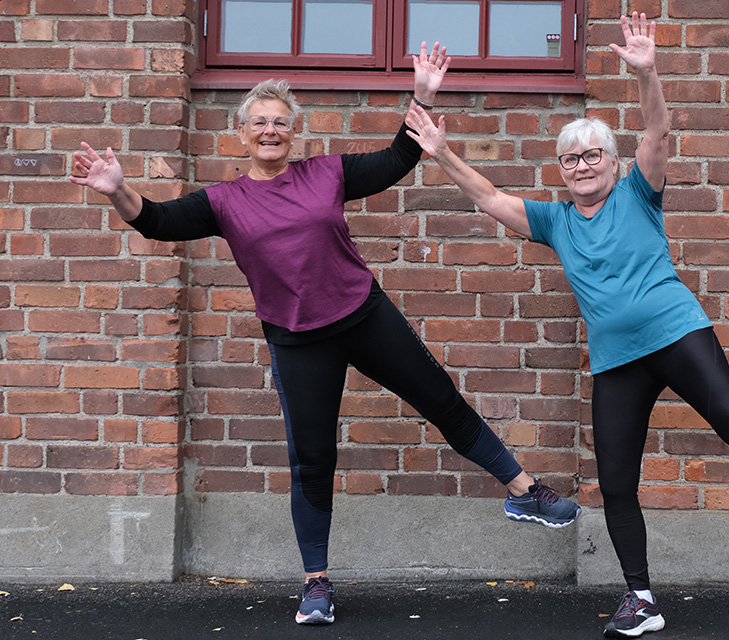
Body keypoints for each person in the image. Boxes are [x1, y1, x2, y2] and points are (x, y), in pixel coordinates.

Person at [69, 42, 580, 627]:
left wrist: (422, 94)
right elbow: (157, 221)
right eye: (259, 122)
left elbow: (397, 158)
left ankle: (523, 490)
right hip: (297, 339)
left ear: (294, 133)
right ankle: (316, 582)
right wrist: (117, 188)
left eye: (280, 122)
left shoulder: (326, 174)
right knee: (312, 458)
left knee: (442, 400)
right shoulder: (224, 202)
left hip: (363, 314)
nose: (270, 131)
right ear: (241, 133)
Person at [404, 13, 729, 638]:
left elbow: (657, 129)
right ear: (562, 170)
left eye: (592, 155)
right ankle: (640, 598)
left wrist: (647, 73)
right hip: (617, 363)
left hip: (677, 334)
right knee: (615, 482)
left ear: (613, 163)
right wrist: (443, 152)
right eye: (570, 159)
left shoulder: (640, 191)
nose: (581, 166)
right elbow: (489, 197)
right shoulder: (556, 221)